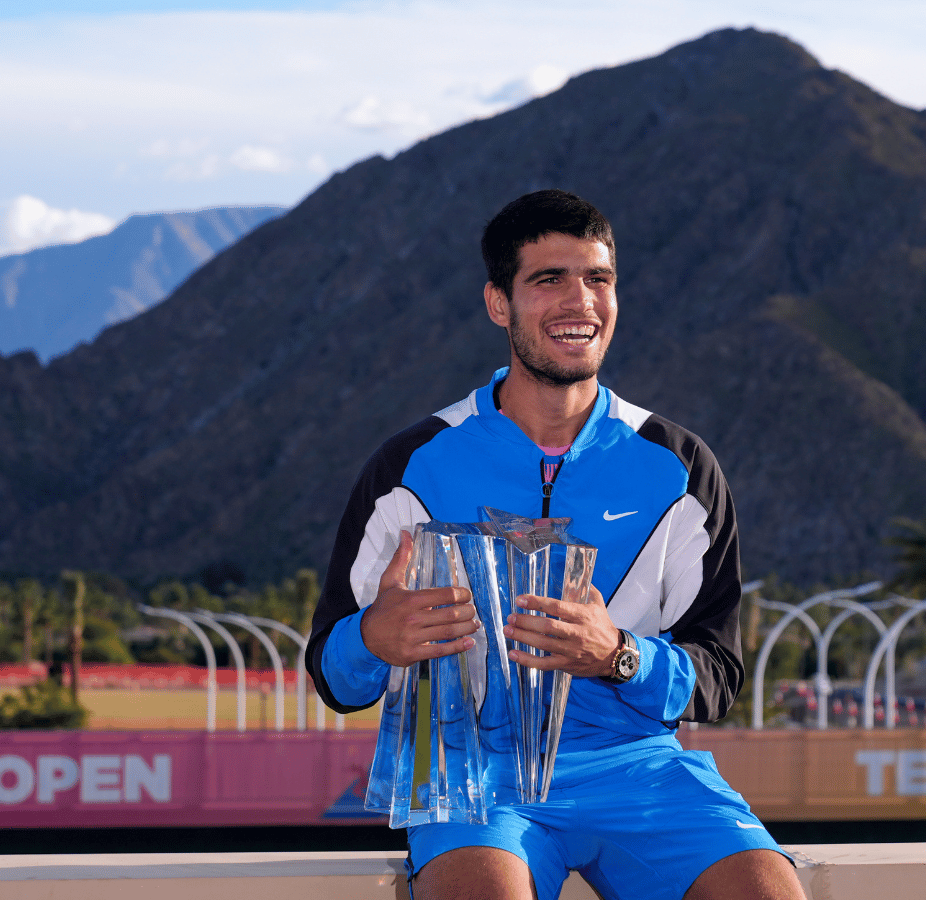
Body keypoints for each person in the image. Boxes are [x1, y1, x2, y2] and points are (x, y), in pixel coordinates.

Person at [306, 189, 805, 900]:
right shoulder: (412, 466)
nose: (581, 302)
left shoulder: (677, 466)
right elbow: (331, 673)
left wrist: (620, 656)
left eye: (598, 279)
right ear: (498, 304)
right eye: (549, 280)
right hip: (470, 771)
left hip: (635, 765)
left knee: (767, 893)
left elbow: (718, 676)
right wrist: (374, 639)